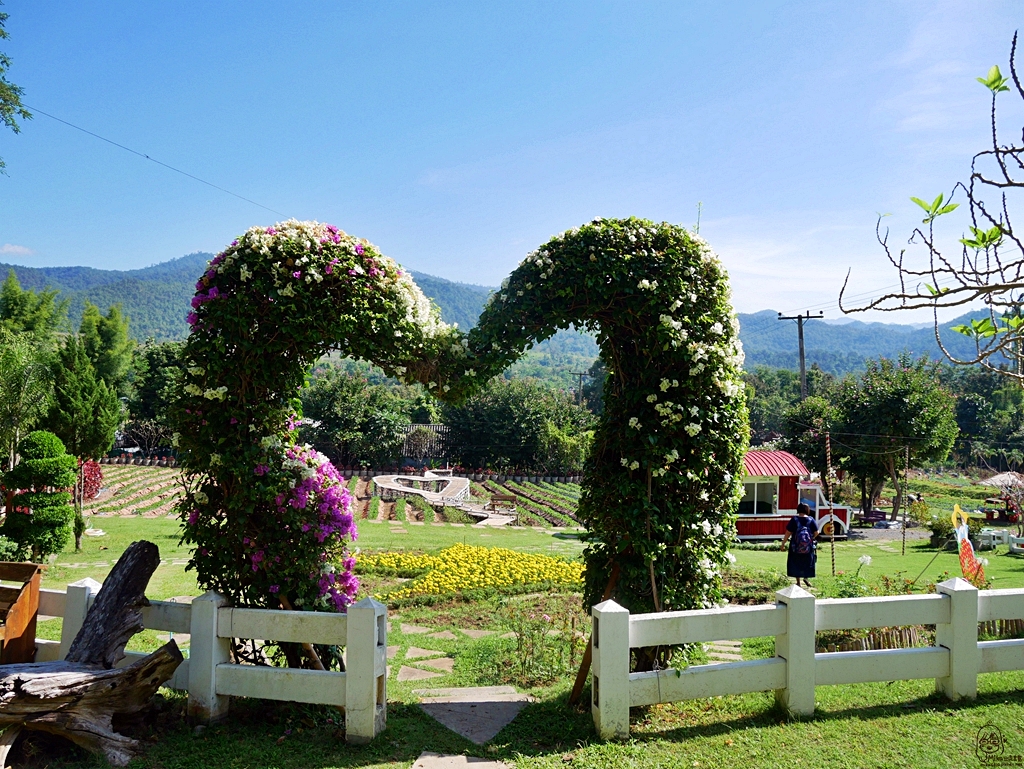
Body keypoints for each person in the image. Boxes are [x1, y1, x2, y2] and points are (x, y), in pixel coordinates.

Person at [781, 502, 818, 589]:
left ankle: (798, 582)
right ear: (807, 510)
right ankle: (806, 578)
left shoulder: (794, 520)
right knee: (807, 562)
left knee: (796, 562)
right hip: (808, 547)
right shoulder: (811, 519)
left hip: (795, 546)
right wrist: (810, 538)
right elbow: (817, 532)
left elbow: (788, 533)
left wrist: (783, 543)